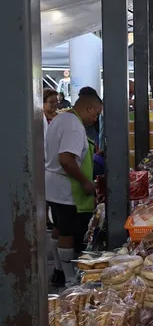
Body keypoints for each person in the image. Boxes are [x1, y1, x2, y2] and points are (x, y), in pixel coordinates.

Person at [45, 86, 102, 282]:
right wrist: (85, 182)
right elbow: (66, 159)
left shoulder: (62, 118)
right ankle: (70, 281)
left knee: (59, 228)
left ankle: (59, 271)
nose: (95, 119)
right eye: (96, 114)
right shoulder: (74, 126)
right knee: (68, 232)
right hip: (66, 188)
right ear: (88, 108)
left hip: (53, 187)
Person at [42, 87, 63, 285]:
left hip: (53, 169)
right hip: (46, 167)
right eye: (51, 103)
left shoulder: (59, 119)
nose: (55, 106)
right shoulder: (38, 119)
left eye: (57, 102)